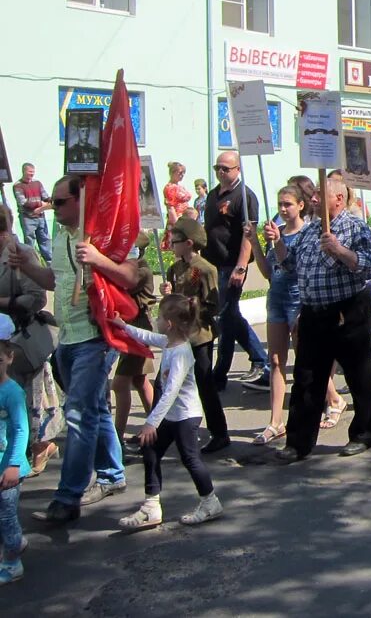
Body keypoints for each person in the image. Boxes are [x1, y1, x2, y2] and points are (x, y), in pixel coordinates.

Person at [12, 176, 128, 524]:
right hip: (68, 338)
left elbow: (131, 276)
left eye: (59, 201)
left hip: (95, 337)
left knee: (77, 414)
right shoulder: (60, 235)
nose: (52, 206)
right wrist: (28, 265)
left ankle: (68, 496)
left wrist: (98, 259)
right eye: (52, 200)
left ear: (81, 200)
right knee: (94, 409)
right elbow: (57, 280)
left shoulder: (100, 235)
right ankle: (112, 473)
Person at [274, 176, 371, 462]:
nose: (315, 200)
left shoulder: (354, 227)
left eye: (321, 196)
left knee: (359, 376)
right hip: (313, 313)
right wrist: (276, 242)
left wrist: (340, 250)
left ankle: (363, 434)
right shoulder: (310, 230)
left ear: (339, 200)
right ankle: (298, 442)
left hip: (347, 312)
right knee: (307, 378)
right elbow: (289, 265)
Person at [113, 295, 223, 529]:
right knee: (150, 449)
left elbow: (171, 391)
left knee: (190, 458)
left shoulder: (181, 352)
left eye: (160, 317)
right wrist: (123, 326)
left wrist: (151, 422)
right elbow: (147, 337)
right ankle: (151, 506)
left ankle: (210, 502)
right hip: (171, 416)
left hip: (185, 416)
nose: (156, 320)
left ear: (170, 324)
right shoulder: (169, 342)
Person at [162, 217, 228, 455]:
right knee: (172, 383)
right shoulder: (175, 268)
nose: (172, 245)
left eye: (176, 241)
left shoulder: (205, 269)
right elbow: (170, 301)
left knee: (204, 384)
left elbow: (213, 306)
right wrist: (167, 294)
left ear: (189, 243)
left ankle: (220, 433)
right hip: (178, 336)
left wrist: (191, 306)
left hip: (199, 336)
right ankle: (171, 430)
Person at [203, 151, 268, 392]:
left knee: (227, 319)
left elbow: (247, 234)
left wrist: (241, 267)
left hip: (231, 265)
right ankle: (260, 359)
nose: (220, 172)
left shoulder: (244, 196)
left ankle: (220, 373)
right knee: (230, 316)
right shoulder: (213, 194)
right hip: (212, 264)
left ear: (237, 169)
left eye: (225, 169)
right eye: (217, 168)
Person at [245, 186, 305, 444]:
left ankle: (327, 402)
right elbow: (269, 271)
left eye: (288, 204)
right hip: (276, 298)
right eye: (280, 204)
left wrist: (278, 241)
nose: (283, 209)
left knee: (304, 360)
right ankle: (275, 421)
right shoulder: (276, 233)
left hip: (298, 298)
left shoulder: (306, 234)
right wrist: (255, 243)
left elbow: (292, 266)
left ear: (300, 205)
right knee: (277, 361)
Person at [0, 203, 54, 472]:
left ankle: (34, 451)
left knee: (24, 406)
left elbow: (36, 297)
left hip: (20, 341)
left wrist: (3, 302)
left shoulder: (20, 254)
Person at [112, 234, 156, 449]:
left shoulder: (141, 271)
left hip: (138, 329)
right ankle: (156, 427)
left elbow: (122, 284)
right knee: (139, 380)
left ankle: (117, 437)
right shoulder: (135, 267)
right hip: (130, 328)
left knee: (119, 384)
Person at [0, 315, 30, 584]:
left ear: (9, 358)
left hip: (8, 467)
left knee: (6, 516)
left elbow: (21, 429)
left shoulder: (12, 392)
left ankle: (12, 563)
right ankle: (16, 542)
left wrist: (14, 465)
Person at [12, 164, 51, 263]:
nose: (32, 174)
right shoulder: (18, 185)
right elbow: (23, 203)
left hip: (40, 217)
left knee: (45, 241)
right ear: (24, 171)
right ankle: (32, 263)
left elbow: (45, 196)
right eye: (30, 172)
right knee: (29, 242)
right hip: (27, 218)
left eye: (33, 172)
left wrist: (52, 200)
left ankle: (50, 264)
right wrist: (41, 203)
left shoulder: (37, 183)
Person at [162, 161, 191, 235]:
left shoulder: (180, 186)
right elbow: (170, 208)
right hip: (177, 220)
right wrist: (177, 226)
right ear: (172, 173)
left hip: (185, 219)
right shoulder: (170, 188)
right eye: (180, 173)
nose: (182, 175)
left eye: (183, 173)